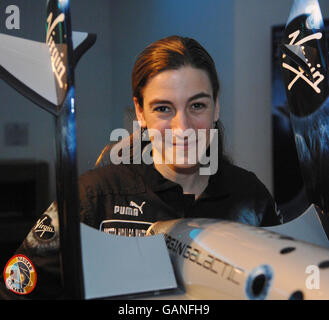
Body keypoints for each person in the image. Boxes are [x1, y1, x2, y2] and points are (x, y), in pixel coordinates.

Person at [0, 35, 281, 299]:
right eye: (163, 108)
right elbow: (15, 289)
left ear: (216, 106)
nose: (182, 128)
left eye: (197, 105)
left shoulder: (250, 199)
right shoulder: (93, 197)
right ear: (139, 111)